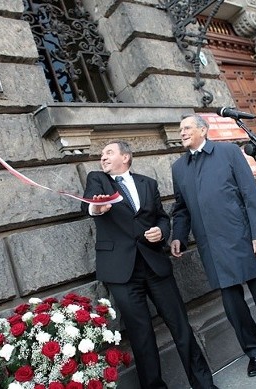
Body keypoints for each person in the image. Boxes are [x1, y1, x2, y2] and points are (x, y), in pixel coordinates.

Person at [82, 140, 218, 389]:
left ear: (126, 157)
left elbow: (161, 217)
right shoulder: (98, 179)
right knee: (141, 336)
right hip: (121, 271)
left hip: (154, 265)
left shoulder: (148, 183)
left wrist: (161, 231)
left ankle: (203, 384)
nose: (103, 157)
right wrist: (97, 207)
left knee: (181, 327)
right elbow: (88, 206)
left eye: (109, 152)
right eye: (102, 154)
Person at [170, 115, 256, 378]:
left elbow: (250, 192)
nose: (181, 133)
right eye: (180, 129)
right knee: (234, 308)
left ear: (203, 130)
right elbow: (181, 208)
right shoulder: (179, 167)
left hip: (243, 239)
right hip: (212, 249)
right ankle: (255, 353)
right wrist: (178, 235)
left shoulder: (228, 152)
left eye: (186, 128)